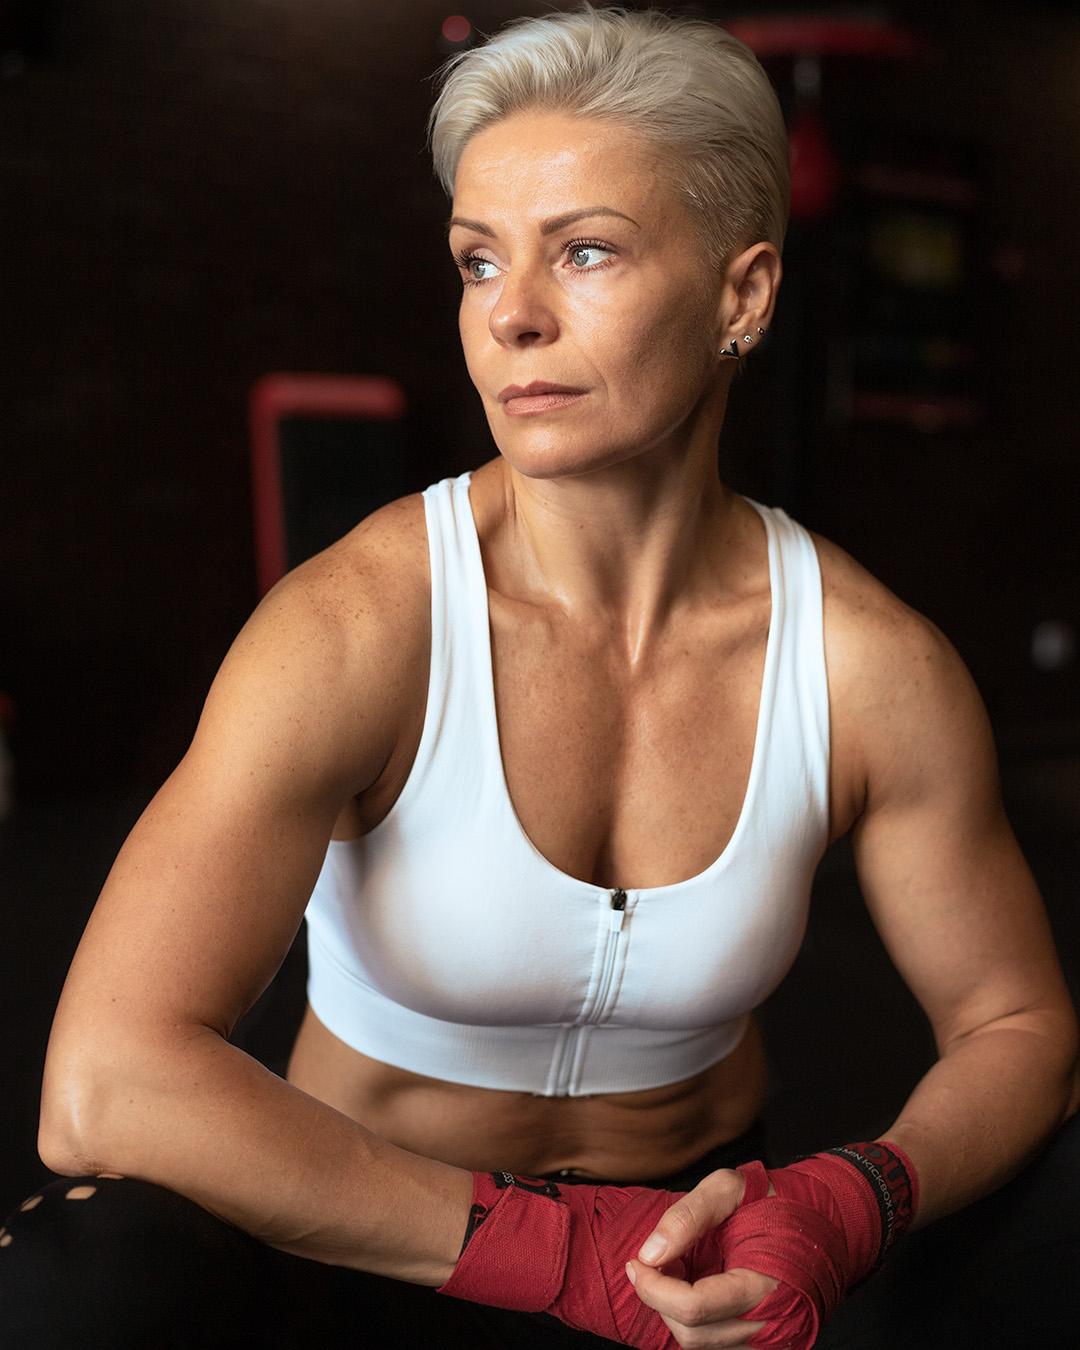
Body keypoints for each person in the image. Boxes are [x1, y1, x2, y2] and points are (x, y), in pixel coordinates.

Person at [2, 5, 1077, 1347]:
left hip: (697, 1262)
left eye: (584, 252)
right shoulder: (360, 626)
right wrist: (552, 1248)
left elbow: (1018, 1016)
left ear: (743, 294)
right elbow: (103, 1080)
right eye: (475, 259)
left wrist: (851, 1201)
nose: (510, 314)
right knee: (79, 1279)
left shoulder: (869, 665)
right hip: (375, 1249)